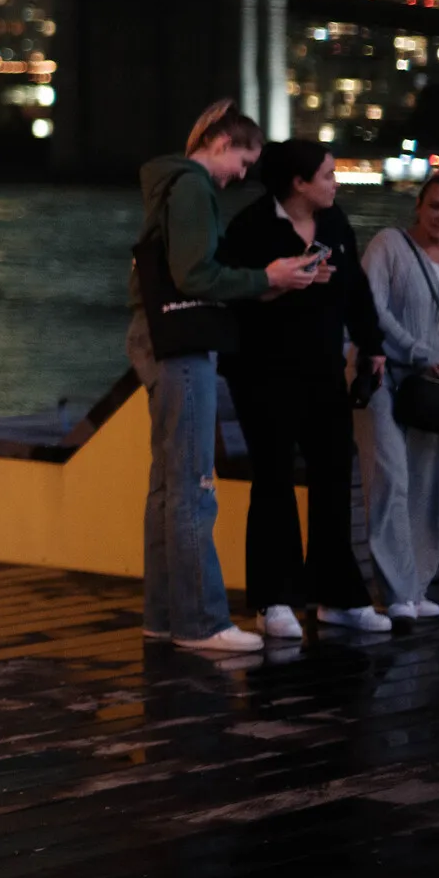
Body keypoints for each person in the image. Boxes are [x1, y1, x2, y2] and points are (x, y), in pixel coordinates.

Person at [129, 99, 329, 657]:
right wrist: (267, 274)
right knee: (193, 486)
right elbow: (195, 273)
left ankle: (165, 617)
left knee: (168, 486)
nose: (243, 175)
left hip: (156, 335)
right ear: (219, 144)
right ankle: (201, 622)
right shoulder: (193, 186)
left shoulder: (168, 183)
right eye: (242, 161)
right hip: (182, 343)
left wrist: (276, 281)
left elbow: (189, 272)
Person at [222, 139, 388, 638]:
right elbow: (229, 294)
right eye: (327, 175)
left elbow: (356, 291)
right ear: (298, 182)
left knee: (334, 478)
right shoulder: (251, 227)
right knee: (273, 481)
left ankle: (338, 598)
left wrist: (371, 344)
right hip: (263, 373)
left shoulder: (335, 223)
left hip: (322, 371)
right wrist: (281, 285)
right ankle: (274, 601)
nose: (335, 182)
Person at [360, 172, 439, 620]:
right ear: (418, 205)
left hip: (431, 388)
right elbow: (373, 310)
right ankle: (393, 591)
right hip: (380, 376)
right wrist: (420, 352)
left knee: (427, 483)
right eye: (436, 206)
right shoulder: (388, 245)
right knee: (390, 477)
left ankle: (416, 584)